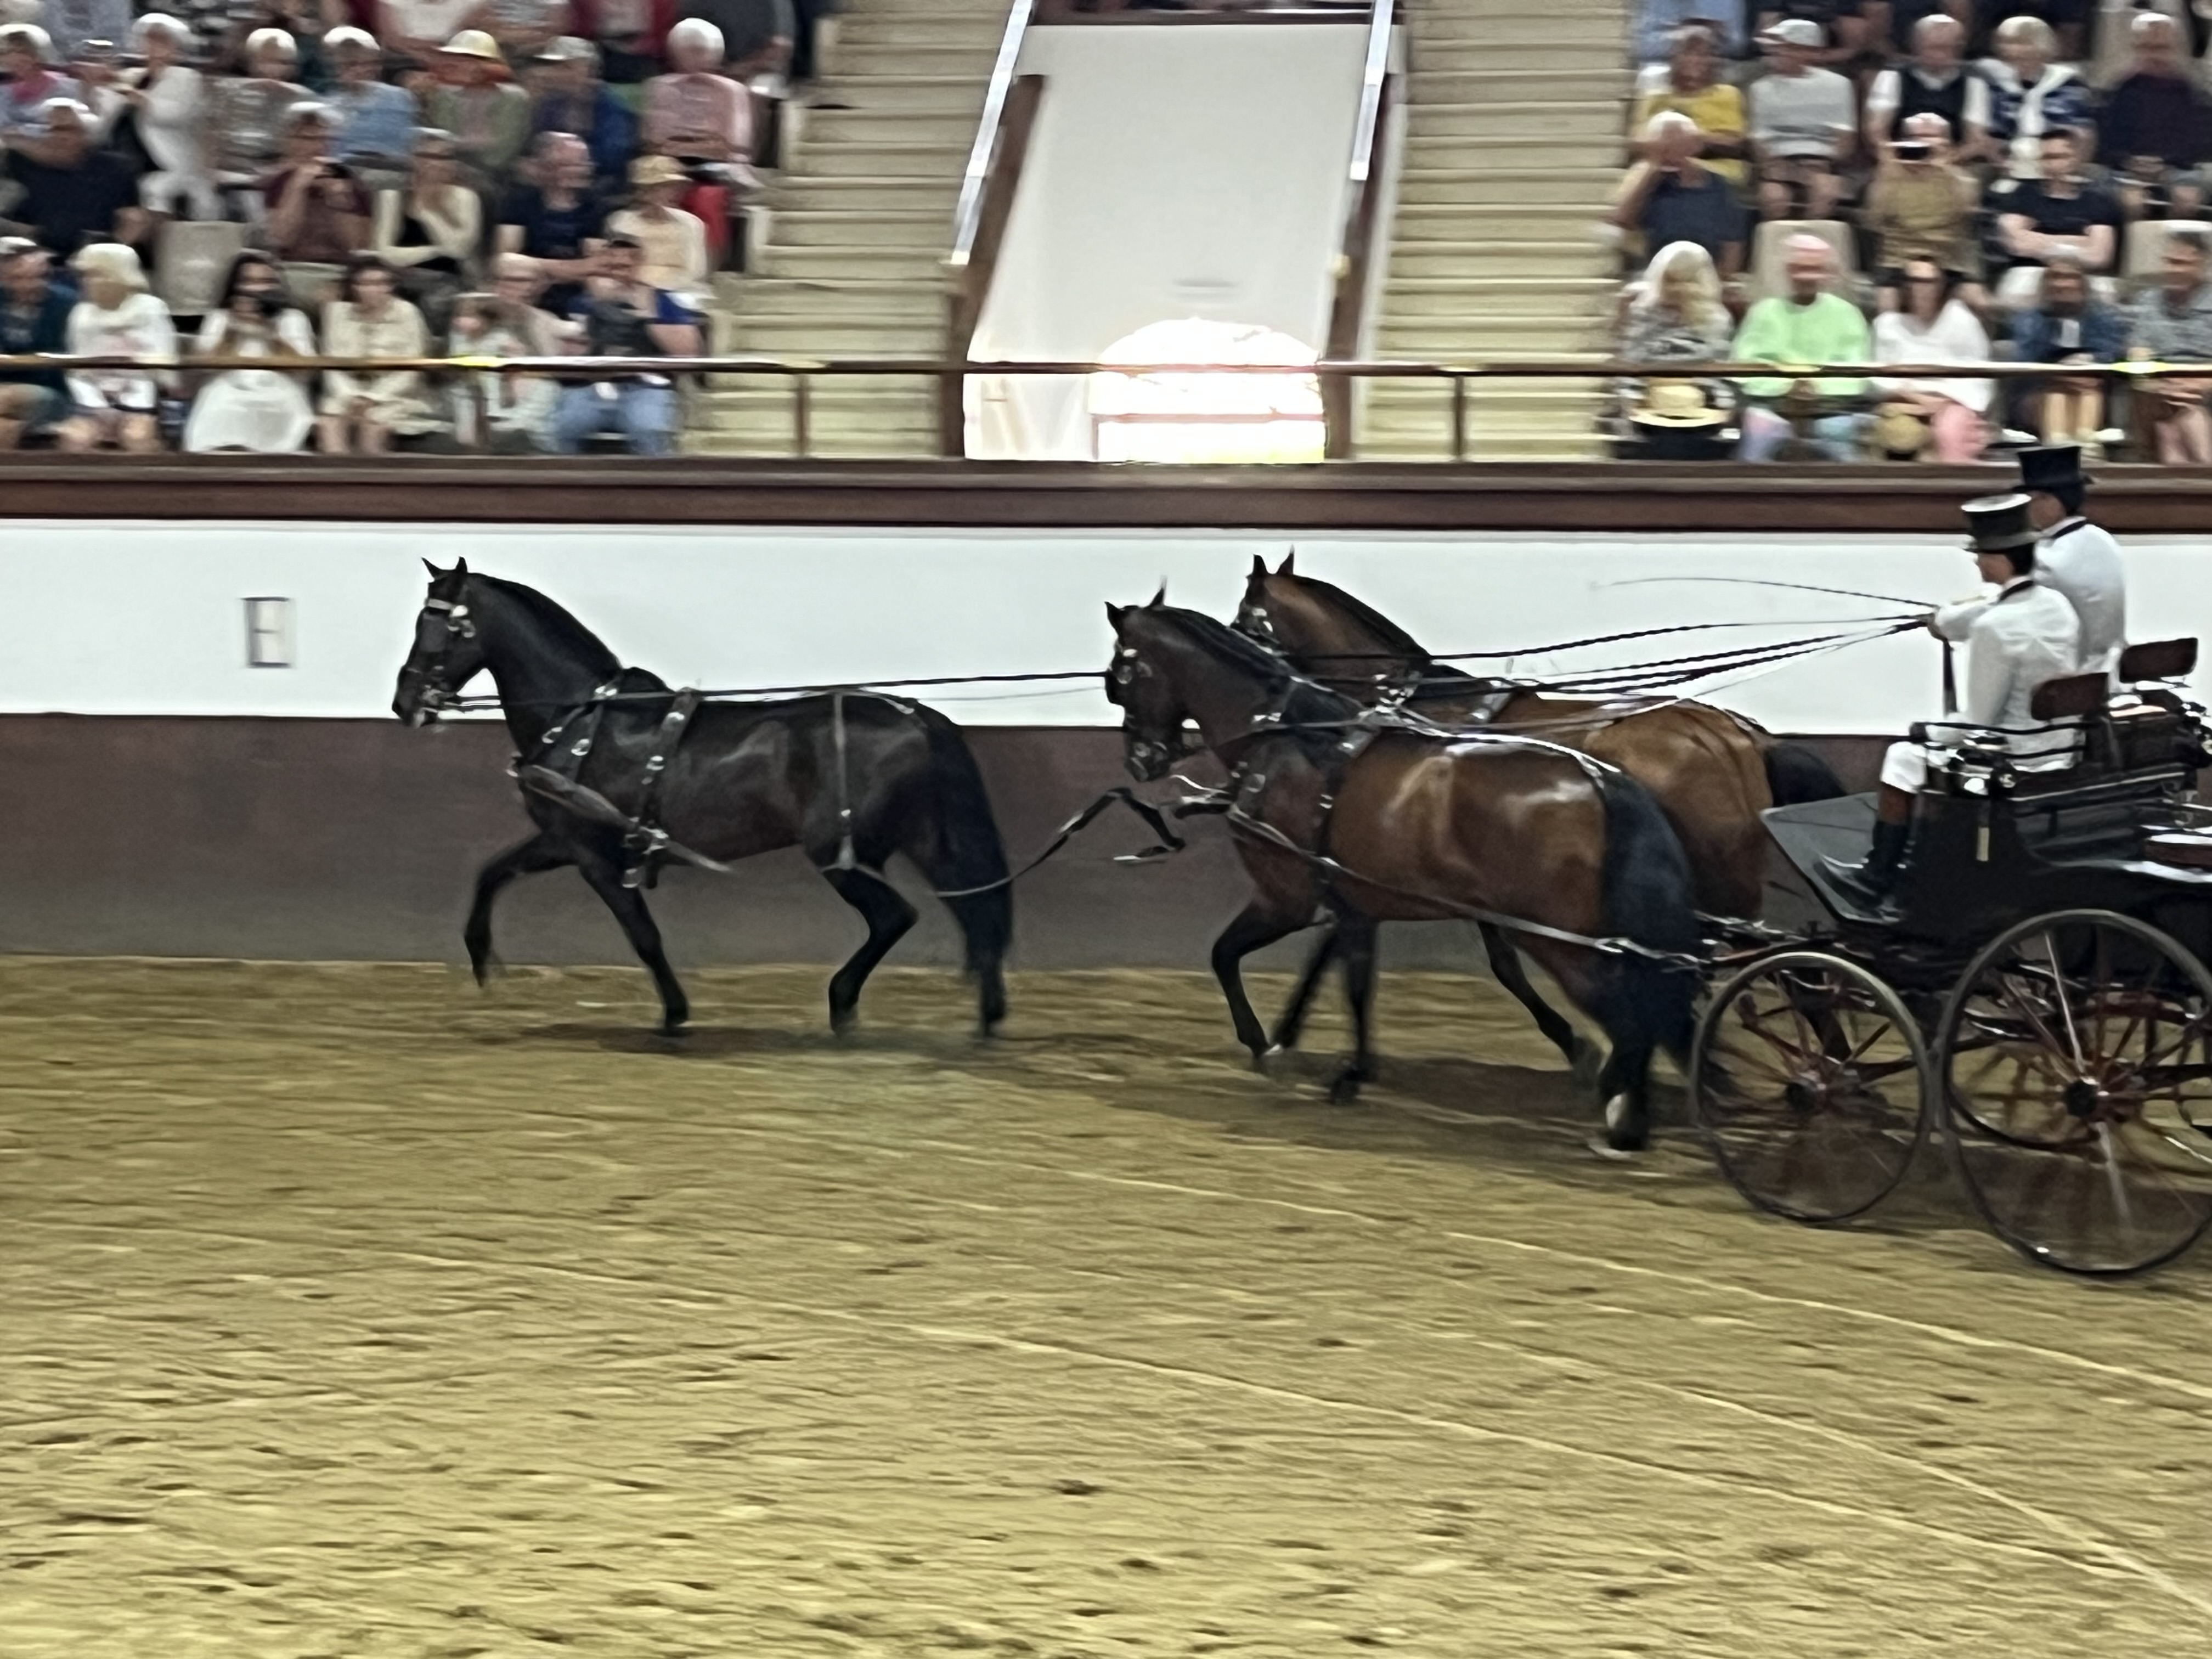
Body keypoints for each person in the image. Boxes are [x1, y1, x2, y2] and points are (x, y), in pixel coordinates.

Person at [1821, 493, 2083, 905]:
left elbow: (1977, 722)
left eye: (1980, 555)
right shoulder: (2058, 607)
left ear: (1999, 560)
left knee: (1902, 757)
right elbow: (1974, 614)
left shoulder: (1994, 628)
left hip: (2014, 758)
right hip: (2057, 749)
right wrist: (1944, 620)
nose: (1977, 563)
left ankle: (1877, 875)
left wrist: (1925, 732)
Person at [550, 232, 697, 454]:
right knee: (563, 426)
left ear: (639, 265)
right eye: (612, 265)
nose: (619, 272)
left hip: (645, 387)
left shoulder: (661, 301)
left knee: (648, 429)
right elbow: (567, 354)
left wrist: (647, 313)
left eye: (626, 265)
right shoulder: (581, 303)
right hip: (591, 385)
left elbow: (688, 353)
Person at [1732, 234, 1871, 461]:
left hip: (1832, 410)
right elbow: (1745, 367)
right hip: (1773, 407)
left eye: (1815, 269)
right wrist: (1788, 387)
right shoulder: (1763, 312)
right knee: (1757, 432)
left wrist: (1815, 388)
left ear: (1827, 273)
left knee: (1842, 441)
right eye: (1800, 269)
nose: (1807, 277)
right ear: (1788, 271)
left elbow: (1856, 372)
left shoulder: (1848, 314)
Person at [184, 249, 317, 452]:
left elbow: (305, 371)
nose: (257, 289)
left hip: (280, 391)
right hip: (227, 390)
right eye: (249, 281)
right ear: (236, 287)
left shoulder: (293, 318)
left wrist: (271, 332)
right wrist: (231, 331)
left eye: (266, 281)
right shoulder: (220, 318)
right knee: (218, 406)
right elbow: (203, 366)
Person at [57, 241, 176, 452]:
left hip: (141, 398)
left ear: (117, 275)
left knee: (136, 438)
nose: (86, 282)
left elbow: (160, 365)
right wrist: (98, 406)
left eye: (95, 275)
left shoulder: (151, 309)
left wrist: (124, 402)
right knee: (75, 438)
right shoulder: (81, 314)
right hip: (91, 400)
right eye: (85, 276)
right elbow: (77, 369)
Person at [1870, 257, 1992, 462]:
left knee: (1949, 433)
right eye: (1914, 281)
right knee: (1899, 434)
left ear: (1941, 285)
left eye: (1929, 282)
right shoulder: (1886, 324)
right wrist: (1917, 400)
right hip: (1904, 399)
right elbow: (1879, 376)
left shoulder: (1963, 321)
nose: (1921, 288)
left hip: (1954, 400)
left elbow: (1978, 375)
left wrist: (1942, 402)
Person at [318, 252, 443, 450]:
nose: (375, 290)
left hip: (396, 395)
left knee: (372, 425)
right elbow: (330, 364)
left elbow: (412, 369)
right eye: (366, 284)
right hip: (346, 394)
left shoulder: (407, 313)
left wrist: (372, 398)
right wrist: (351, 396)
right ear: (354, 286)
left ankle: (368, 471)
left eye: (382, 283)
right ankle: (338, 471)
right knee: (329, 424)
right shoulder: (335, 313)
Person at [2097, 14, 2212, 222]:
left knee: (2187, 198)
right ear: (2135, 48)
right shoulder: (2121, 89)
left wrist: (2165, 165)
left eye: (2161, 48)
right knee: (2131, 202)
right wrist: (2129, 162)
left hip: (2176, 169)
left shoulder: (2190, 92)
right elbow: (2106, 141)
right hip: (2126, 169)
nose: (2153, 55)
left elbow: (2197, 143)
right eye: (2147, 48)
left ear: (2175, 49)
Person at [2010, 252, 2129, 449]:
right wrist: (2062, 373)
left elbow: (2112, 352)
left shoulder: (2102, 316)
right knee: (2056, 396)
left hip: (2090, 388)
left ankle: (2085, 449)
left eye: (2071, 277)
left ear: (2083, 283)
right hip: (2039, 391)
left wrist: (2090, 362)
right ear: (2046, 283)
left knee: (2089, 395)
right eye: (2056, 277)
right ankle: (2057, 448)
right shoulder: (2029, 318)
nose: (2063, 284)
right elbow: (2027, 358)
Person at [1, 96, 149, 255]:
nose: (60, 137)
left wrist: (114, 247)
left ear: (86, 133)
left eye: (68, 129)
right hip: (30, 255)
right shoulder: (19, 163)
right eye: (53, 130)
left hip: (96, 256)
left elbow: (134, 219)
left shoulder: (116, 168)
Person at [1994, 129, 2122, 307]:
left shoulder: (2098, 201)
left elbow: (2100, 256)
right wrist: (2080, 241)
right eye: (2047, 158)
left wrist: (2038, 239)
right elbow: (2017, 245)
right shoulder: (2023, 195)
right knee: (2016, 289)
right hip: (2032, 273)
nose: (2053, 165)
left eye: (2061, 157)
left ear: (2075, 160)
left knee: (2105, 295)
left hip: (2083, 275)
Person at [1617, 238, 1736, 424]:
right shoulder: (1644, 314)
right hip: (1649, 409)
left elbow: (1721, 369)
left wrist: (1723, 406)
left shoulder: (1717, 320)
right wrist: (1631, 402)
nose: (1679, 289)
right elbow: (1631, 363)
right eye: (1672, 281)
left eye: (1688, 282)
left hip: (1701, 410)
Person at [1611, 112, 1746, 276]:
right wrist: (1651, 172)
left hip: (1704, 273)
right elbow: (1619, 221)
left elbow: (1733, 242)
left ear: (1695, 147)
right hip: (1654, 272)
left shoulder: (1718, 186)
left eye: (1680, 145)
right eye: (1665, 148)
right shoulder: (1644, 179)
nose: (1673, 154)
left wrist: (1723, 278)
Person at [1863, 112, 1980, 298]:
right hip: (1897, 260)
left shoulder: (1961, 180)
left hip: (1947, 260)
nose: (1923, 142)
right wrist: (1887, 170)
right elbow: (1874, 219)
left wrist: (1945, 167)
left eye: (1931, 136)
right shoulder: (1890, 176)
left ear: (1947, 143)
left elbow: (1966, 212)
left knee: (1979, 303)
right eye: (1915, 137)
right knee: (1888, 303)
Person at [1747, 18, 1854, 221]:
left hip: (1822, 164)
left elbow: (1845, 140)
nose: (1777, 52)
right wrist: (1782, 169)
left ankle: (1811, 239)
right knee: (1774, 198)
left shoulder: (1838, 85)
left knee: (1825, 193)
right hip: (1778, 165)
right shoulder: (1760, 88)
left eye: (1786, 47)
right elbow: (1758, 139)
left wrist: (1826, 165)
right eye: (1776, 47)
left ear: (1807, 51)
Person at [117, 14, 221, 223]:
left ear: (177, 48)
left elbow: (176, 114)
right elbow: (105, 115)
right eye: (149, 40)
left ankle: (160, 234)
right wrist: (92, 88)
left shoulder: (186, 78)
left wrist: (141, 99)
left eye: (162, 41)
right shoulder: (130, 75)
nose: (153, 46)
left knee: (153, 186)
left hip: (167, 161)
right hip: (125, 152)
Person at [445, 262, 560, 449]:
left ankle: (510, 428)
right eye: (510, 281)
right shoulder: (460, 334)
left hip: (516, 382)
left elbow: (546, 367)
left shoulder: (545, 321)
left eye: (524, 281)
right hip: (472, 385)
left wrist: (515, 374)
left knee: (546, 390)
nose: (518, 288)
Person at [262, 101, 372, 295]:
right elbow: (280, 239)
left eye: (325, 138)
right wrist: (297, 188)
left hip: (340, 272)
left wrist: (337, 198)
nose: (319, 146)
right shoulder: (277, 181)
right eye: (308, 138)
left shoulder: (348, 180)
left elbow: (357, 245)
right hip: (289, 270)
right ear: (289, 141)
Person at [373, 127, 482, 321]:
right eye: (428, 156)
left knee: (436, 303)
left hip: (447, 279)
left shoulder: (465, 197)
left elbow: (459, 251)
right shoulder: (392, 196)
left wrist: (428, 212)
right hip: (398, 277)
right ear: (413, 159)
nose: (436, 163)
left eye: (444, 157)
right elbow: (384, 253)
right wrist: (436, 250)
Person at [2127, 225, 2212, 465]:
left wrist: (2200, 385)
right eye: (2169, 262)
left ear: (2202, 266)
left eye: (2182, 263)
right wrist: (2159, 385)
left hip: (2206, 385)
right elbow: (2137, 353)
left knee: (2172, 429)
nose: (2173, 270)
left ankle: (2193, 473)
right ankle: (2203, 474)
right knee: (2177, 418)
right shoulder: (2147, 300)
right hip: (2160, 388)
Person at [1628, 25, 1748, 188]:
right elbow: (1637, 144)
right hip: (1658, 175)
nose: (1695, 60)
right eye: (1687, 52)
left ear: (1714, 61)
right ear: (1672, 59)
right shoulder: (1655, 98)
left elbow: (1735, 144)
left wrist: (1690, 141)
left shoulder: (1727, 95)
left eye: (1702, 54)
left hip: (1714, 173)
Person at [1980, 14, 2092, 181]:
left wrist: (2067, 169)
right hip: (2010, 167)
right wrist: (2002, 164)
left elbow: (2083, 134)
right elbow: (1992, 137)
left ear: (2042, 47)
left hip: (2056, 166)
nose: (2011, 50)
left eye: (2021, 43)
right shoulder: (1998, 85)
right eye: (2006, 43)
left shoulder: (2068, 83)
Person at [1864, 14, 1991, 160]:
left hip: (1953, 163)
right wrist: (1898, 163)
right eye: (1933, 48)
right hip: (1898, 161)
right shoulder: (1891, 78)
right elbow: (1876, 134)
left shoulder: (1974, 84)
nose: (1940, 55)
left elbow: (1976, 141)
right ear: (1916, 46)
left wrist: (1942, 163)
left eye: (1947, 48)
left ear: (1959, 48)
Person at [207, 29, 311, 206]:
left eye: (283, 63)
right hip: (227, 173)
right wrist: (210, 172)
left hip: (276, 176)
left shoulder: (303, 98)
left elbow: (306, 149)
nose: (274, 69)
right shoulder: (227, 92)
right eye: (266, 61)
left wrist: (278, 171)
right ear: (252, 62)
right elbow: (211, 139)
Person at [424, 27, 533, 191]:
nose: (460, 66)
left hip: (497, 177)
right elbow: (441, 141)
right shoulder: (443, 97)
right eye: (457, 59)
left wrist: (459, 145)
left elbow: (500, 153)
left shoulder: (514, 98)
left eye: (471, 61)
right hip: (446, 171)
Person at [527, 35, 636, 190]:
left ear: (589, 69)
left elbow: (613, 157)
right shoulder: (550, 104)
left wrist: (564, 164)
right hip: (551, 177)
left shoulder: (610, 105)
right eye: (554, 67)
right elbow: (536, 143)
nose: (556, 74)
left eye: (566, 67)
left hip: (598, 182)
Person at [0, 238, 74, 448]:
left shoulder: (67, 304)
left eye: (37, 278)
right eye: (17, 278)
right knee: (4, 428)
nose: (28, 286)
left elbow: (67, 359)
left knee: (5, 398)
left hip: (50, 390)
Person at [324, 26, 419, 182]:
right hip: (345, 174)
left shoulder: (400, 98)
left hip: (393, 171)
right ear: (336, 67)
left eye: (368, 63)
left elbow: (406, 144)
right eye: (351, 64)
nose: (360, 70)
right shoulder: (327, 106)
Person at [606, 153, 707, 291]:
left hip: (684, 291)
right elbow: (620, 270)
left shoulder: (691, 223)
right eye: (663, 187)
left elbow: (696, 272)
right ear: (643, 190)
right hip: (634, 290)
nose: (673, 193)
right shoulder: (620, 222)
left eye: (674, 187)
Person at [0, 26, 82, 138]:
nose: (13, 58)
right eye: (4, 53)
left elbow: (70, 130)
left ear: (38, 55)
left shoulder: (70, 88)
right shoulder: (3, 93)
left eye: (22, 52)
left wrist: (19, 131)